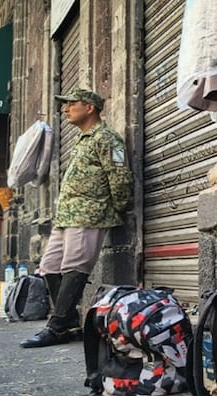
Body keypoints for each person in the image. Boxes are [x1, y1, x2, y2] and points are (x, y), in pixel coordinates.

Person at [20, 87, 134, 348]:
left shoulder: (106, 138)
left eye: (71, 104)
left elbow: (120, 176)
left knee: (74, 267)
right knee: (48, 267)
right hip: (67, 217)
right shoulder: (84, 139)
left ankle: (57, 326)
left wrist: (115, 208)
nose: (65, 109)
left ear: (89, 108)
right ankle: (70, 321)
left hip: (89, 215)